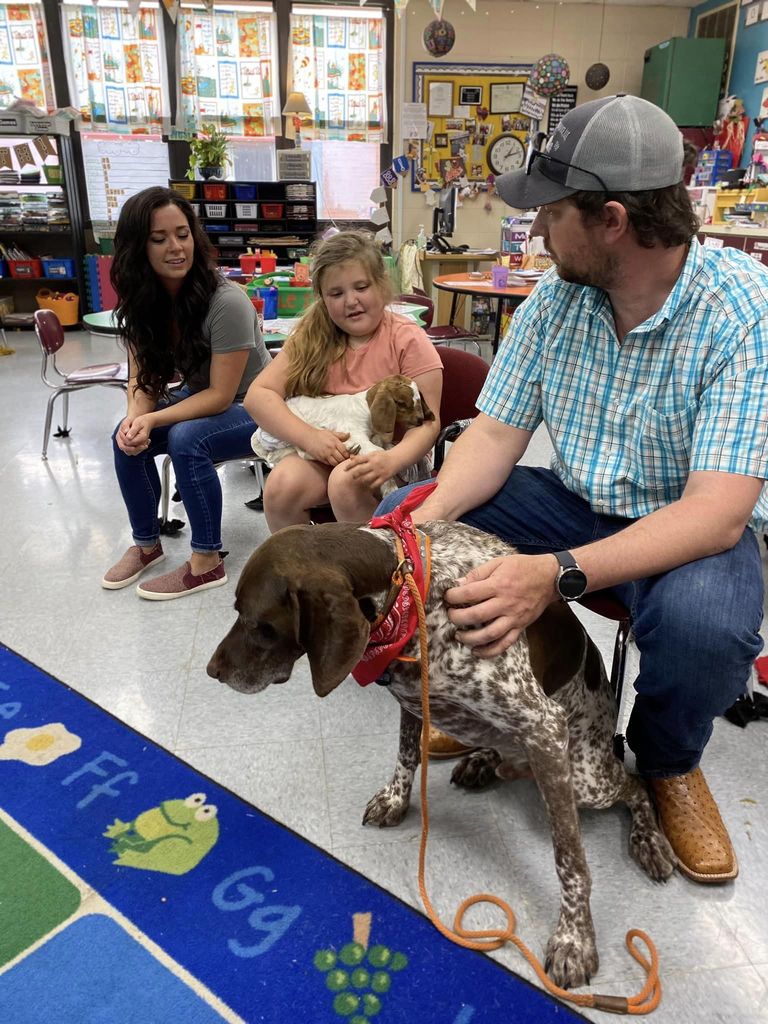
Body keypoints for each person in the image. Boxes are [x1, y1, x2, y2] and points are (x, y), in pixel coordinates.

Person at [382, 94, 768, 883]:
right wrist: (423, 524)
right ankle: (480, 704)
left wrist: (551, 574)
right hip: (574, 498)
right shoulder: (557, 299)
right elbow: (492, 437)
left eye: (551, 213)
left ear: (613, 221)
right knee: (401, 525)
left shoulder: (746, 313)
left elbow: (717, 514)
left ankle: (664, 766)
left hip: (684, 525)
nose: (534, 231)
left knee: (709, 631)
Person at [102, 186, 270, 600]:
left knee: (185, 437)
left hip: (257, 404)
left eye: (183, 234)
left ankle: (206, 561)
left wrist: (155, 418)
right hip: (204, 398)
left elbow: (219, 396)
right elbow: (142, 380)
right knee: (125, 440)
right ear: (137, 248)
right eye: (159, 239)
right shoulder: (143, 302)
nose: (176, 247)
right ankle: (146, 544)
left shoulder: (226, 302)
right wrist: (135, 419)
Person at [244, 230, 442, 532]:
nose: (351, 301)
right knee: (280, 485)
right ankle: (305, 575)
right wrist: (309, 437)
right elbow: (258, 396)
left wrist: (390, 461)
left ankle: (378, 571)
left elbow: (428, 423)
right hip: (325, 453)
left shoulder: (406, 338)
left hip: (396, 463)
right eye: (336, 294)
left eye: (361, 287)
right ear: (322, 298)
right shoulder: (310, 336)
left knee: (346, 480)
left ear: (381, 285)